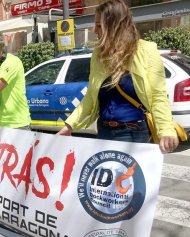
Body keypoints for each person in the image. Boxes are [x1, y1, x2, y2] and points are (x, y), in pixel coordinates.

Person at [57, 0, 178, 154]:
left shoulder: (146, 50)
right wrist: (69, 126)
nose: (95, 30)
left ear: (116, 26)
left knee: (127, 178)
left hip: (134, 134)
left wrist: (166, 129)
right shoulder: (98, 55)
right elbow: (90, 97)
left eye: (100, 25)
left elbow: (158, 95)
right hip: (104, 131)